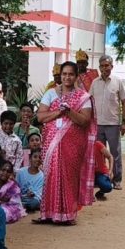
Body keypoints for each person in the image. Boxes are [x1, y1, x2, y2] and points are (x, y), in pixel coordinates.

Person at [34, 61, 97, 226]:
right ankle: (48, 213)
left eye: (70, 74)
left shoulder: (83, 97)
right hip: (51, 144)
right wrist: (59, 112)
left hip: (73, 145)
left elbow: (84, 121)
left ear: (76, 77)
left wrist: (69, 112)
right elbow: (40, 117)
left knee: (69, 178)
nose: (67, 77)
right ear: (60, 76)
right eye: (64, 74)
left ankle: (68, 215)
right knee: (50, 175)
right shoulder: (50, 93)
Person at [91, 54, 125, 189]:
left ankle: (117, 180)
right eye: (102, 66)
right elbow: (89, 101)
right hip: (97, 124)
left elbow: (124, 102)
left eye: (107, 65)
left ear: (112, 66)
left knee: (115, 153)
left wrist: (124, 122)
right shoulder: (95, 83)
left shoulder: (117, 82)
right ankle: (101, 178)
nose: (104, 68)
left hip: (113, 124)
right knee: (99, 153)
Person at [15, 148, 44, 212]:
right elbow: (15, 187)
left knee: (34, 203)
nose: (37, 159)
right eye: (35, 157)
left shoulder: (42, 176)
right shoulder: (21, 172)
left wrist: (32, 194)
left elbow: (39, 194)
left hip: (32, 200)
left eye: (40, 158)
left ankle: (22, 206)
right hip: (20, 198)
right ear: (30, 159)